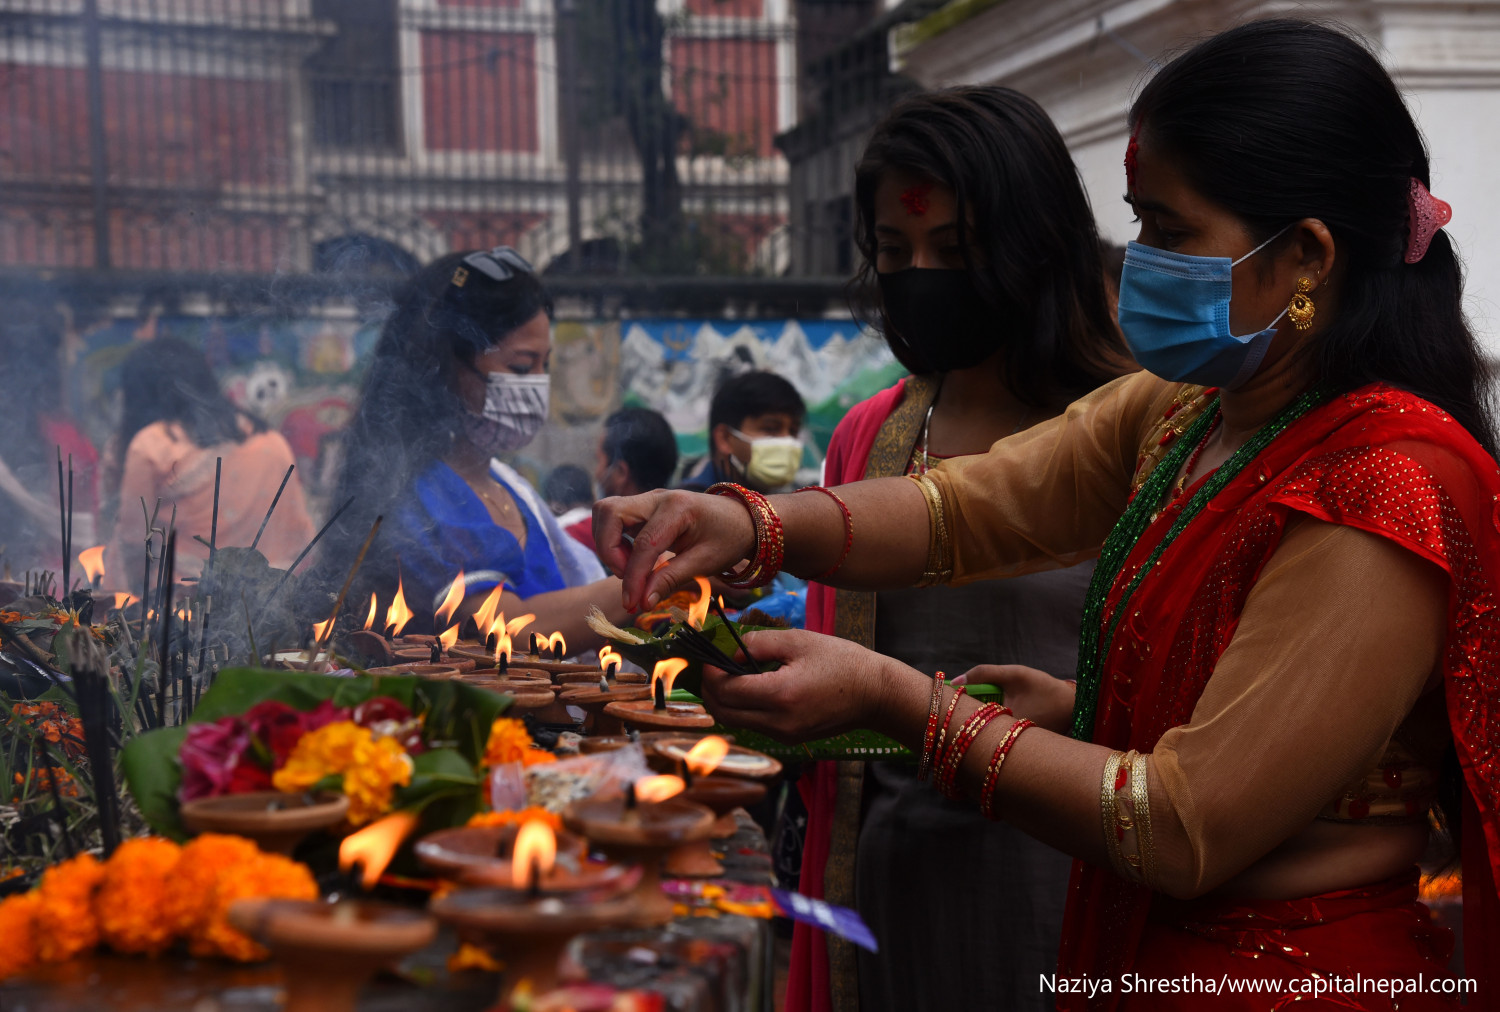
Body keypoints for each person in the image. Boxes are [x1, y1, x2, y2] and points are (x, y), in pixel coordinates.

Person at [596, 20, 1500, 1009]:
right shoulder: (1190, 412)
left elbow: (1184, 823)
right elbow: (968, 507)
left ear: (1308, 258)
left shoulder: (1383, 486)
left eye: (1170, 229)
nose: (1143, 258)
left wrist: (899, 698)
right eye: (1139, 221)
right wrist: (750, 524)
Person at [791, 86, 1133, 1012]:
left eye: (956, 250)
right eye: (894, 252)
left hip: (1076, 871)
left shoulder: (1142, 432)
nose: (920, 276)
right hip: (895, 885)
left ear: (1033, 249)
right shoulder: (870, 438)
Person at [322, 247, 630, 644]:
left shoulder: (509, 488)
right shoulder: (416, 496)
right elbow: (511, 630)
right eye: (521, 367)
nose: (538, 383)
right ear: (445, 368)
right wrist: (649, 582)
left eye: (544, 365)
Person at [104, 338, 315, 587]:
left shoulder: (152, 444)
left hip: (182, 612)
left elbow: (133, 544)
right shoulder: (271, 440)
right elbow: (301, 541)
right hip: (270, 608)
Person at [566, 407, 679, 550]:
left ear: (620, 472)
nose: (596, 472)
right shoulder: (683, 536)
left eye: (599, 460)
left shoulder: (582, 537)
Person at [678, 370, 806, 493]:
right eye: (770, 429)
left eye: (793, 431)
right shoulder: (687, 509)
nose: (787, 440)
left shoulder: (798, 505)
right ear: (725, 439)